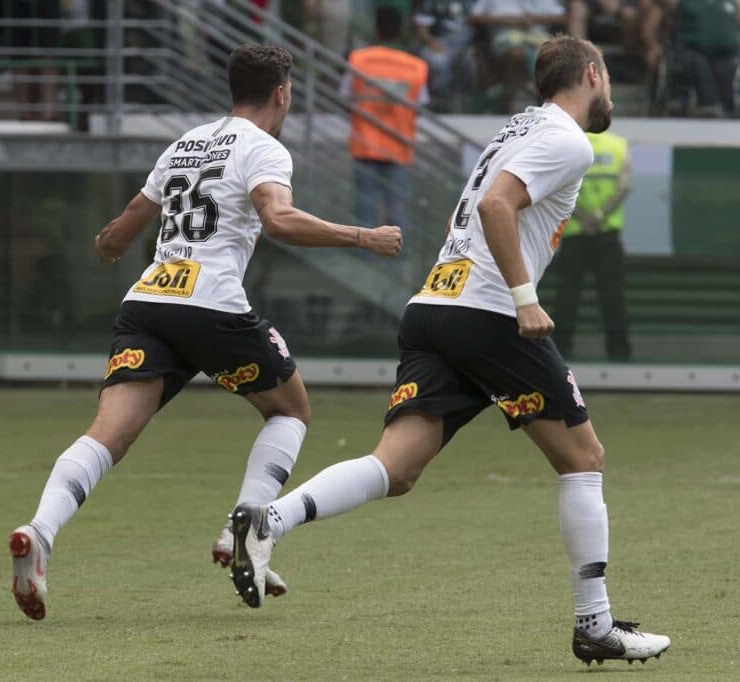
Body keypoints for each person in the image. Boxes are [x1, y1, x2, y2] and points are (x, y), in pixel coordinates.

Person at [228, 35, 671, 666]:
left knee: (396, 468)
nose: (610, 95)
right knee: (584, 456)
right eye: (607, 82)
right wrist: (523, 297)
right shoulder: (568, 138)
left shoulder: (513, 129)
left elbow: (473, 209)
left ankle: (271, 520)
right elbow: (496, 206)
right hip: (488, 314)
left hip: (434, 306)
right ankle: (594, 625)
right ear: (593, 74)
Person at [7, 44, 403, 621]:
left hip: (149, 301)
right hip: (210, 304)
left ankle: (40, 532)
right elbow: (279, 218)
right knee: (290, 411)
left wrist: (109, 243)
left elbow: (121, 231)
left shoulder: (185, 143)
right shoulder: (264, 148)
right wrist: (364, 238)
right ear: (282, 93)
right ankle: (243, 524)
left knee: (106, 435)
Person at [347, 7, 429, 231]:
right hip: (399, 146)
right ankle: (397, 260)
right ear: (401, 31)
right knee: (397, 209)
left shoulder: (358, 60)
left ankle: (367, 259)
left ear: (376, 29)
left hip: (365, 144)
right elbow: (420, 104)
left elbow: (344, 96)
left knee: (366, 208)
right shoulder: (416, 66)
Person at [553, 131, 632, 361]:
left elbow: (560, 188)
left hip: (575, 232)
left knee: (567, 295)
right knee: (613, 295)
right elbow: (624, 187)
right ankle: (619, 351)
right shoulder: (618, 145)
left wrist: (584, 217)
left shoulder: (568, 145)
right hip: (607, 233)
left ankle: (561, 349)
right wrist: (599, 216)